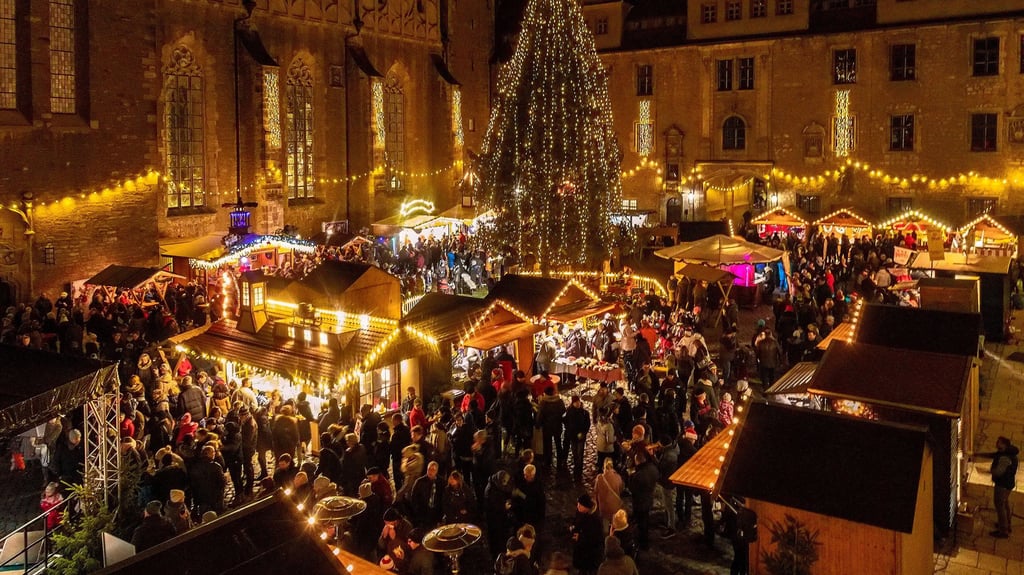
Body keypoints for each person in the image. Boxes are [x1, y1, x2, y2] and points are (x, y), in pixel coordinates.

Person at [979, 436, 1019, 538]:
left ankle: (1003, 531)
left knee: (999, 505)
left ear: (1004, 445)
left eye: (999, 442)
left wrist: (986, 471)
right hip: (1008, 483)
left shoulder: (1005, 457)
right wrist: (976, 454)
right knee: (1004, 504)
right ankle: (1006, 524)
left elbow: (998, 472)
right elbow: (992, 455)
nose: (997, 443)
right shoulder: (1006, 453)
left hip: (1002, 484)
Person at [571, 494, 605, 575]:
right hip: (582, 551)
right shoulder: (580, 512)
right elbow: (577, 522)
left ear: (587, 507)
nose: (578, 506)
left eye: (580, 505)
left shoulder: (595, 520)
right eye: (578, 504)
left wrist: (579, 537)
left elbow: (594, 538)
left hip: (590, 554)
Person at [563, 395, 590, 482]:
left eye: (578, 402)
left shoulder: (584, 413)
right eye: (576, 402)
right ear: (573, 403)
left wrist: (583, 433)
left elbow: (587, 424)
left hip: (581, 437)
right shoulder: (569, 412)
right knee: (575, 453)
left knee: (580, 453)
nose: (578, 403)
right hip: (572, 436)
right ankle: (576, 467)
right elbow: (565, 421)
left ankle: (579, 469)